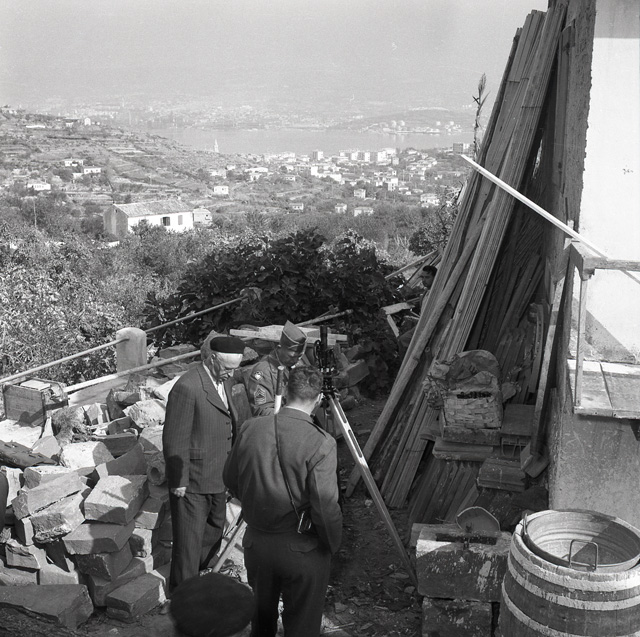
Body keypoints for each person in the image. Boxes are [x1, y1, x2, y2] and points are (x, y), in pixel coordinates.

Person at [223, 366, 343, 637]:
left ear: (286, 392)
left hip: (256, 544)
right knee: (302, 626)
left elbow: (230, 478)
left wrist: (257, 504)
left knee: (261, 623)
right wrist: (332, 544)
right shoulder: (321, 442)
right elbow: (325, 508)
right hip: (302, 549)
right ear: (318, 399)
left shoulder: (250, 428)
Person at [162, 333, 246, 592]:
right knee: (188, 541)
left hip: (218, 475)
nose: (231, 374)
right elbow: (175, 437)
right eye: (228, 368)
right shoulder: (188, 387)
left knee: (213, 529)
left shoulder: (224, 381)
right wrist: (178, 480)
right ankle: (183, 594)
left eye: (235, 369)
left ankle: (205, 576)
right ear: (212, 359)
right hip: (193, 480)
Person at [245, 320, 307, 416]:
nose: (296, 360)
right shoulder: (263, 372)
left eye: (299, 357)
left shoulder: (297, 365)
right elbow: (261, 410)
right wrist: (291, 415)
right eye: (291, 357)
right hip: (277, 421)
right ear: (279, 348)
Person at [398, 264, 438, 354]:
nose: (423, 280)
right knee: (403, 340)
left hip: (430, 325)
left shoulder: (437, 293)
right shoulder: (426, 293)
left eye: (427, 277)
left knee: (405, 341)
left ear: (435, 277)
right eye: (422, 277)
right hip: (422, 324)